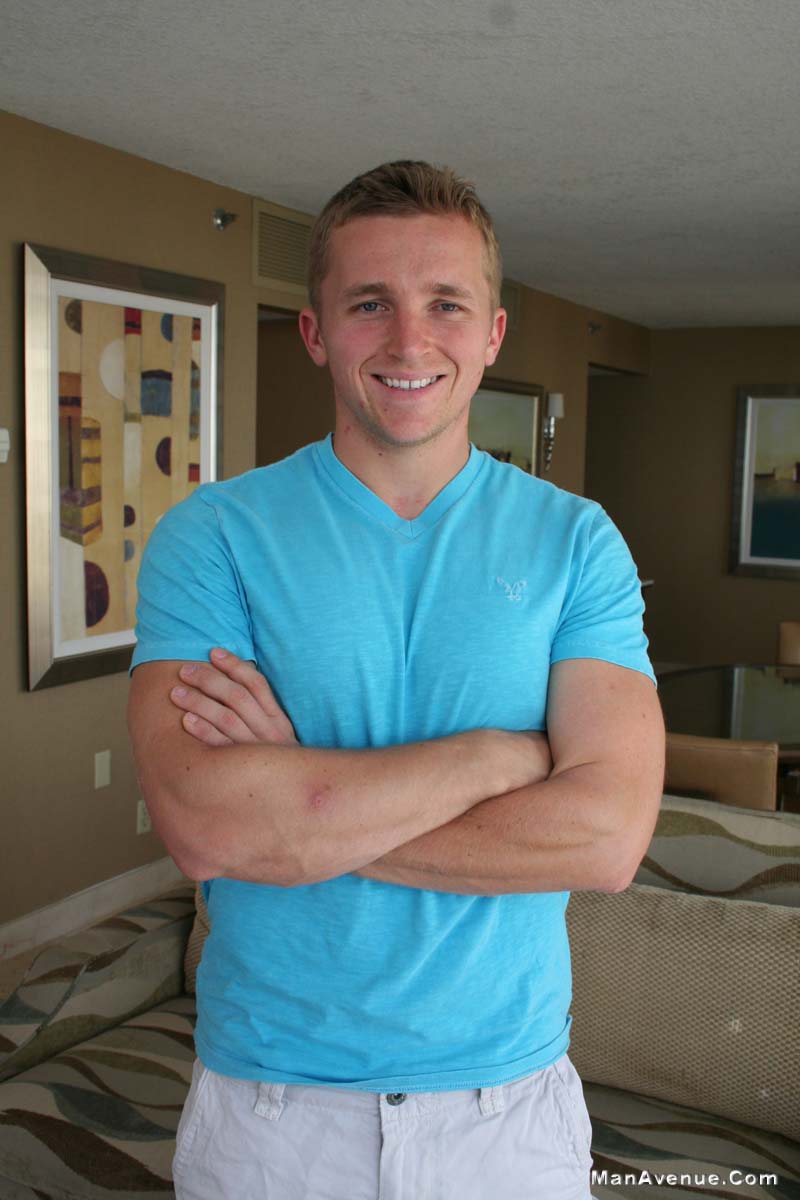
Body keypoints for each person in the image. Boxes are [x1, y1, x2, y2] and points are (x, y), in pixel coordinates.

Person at [127, 159, 665, 1200]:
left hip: (505, 1115)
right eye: (369, 303)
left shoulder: (575, 543)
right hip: (271, 1114)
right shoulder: (215, 537)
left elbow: (604, 841)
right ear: (316, 331)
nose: (410, 342)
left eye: (445, 304)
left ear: (492, 333)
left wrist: (298, 810)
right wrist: (497, 759)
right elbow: (205, 825)